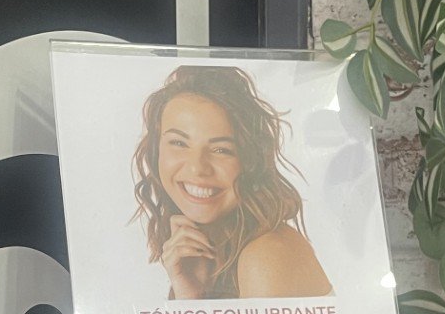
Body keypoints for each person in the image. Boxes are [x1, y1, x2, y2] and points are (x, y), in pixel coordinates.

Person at [131, 64, 331, 299]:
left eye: (221, 150)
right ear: (157, 152)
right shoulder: (214, 252)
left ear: (250, 161)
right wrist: (190, 296)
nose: (197, 168)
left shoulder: (265, 256)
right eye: (179, 143)